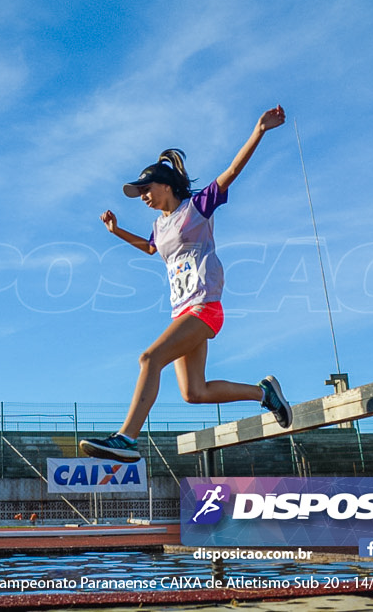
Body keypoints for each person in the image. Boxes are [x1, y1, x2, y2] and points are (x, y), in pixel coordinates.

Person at [80, 106, 293, 463]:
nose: (143, 196)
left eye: (146, 189)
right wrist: (116, 233)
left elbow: (231, 172)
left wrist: (259, 130)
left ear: (166, 185)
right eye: (139, 192)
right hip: (182, 310)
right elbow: (151, 249)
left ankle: (127, 438)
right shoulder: (160, 226)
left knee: (149, 358)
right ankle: (264, 393)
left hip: (204, 305)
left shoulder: (196, 208)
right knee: (194, 392)